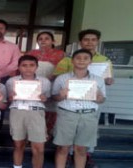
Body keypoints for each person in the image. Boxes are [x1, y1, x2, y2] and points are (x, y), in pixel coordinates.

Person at [52, 29, 113, 168]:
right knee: (63, 149)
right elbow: (54, 97)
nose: (81, 61)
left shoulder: (98, 80)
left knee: (81, 149)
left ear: (90, 62)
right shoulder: (62, 78)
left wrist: (98, 99)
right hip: (67, 115)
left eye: (85, 59)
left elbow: (102, 99)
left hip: (88, 116)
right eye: (78, 58)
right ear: (72, 61)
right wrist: (60, 95)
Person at [6, 55, 51, 168]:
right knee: (18, 145)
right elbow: (7, 99)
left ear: (37, 67)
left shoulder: (44, 81)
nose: (28, 68)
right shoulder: (11, 81)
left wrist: (44, 98)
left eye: (32, 65)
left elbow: (48, 98)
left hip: (36, 113)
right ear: (19, 67)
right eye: (24, 65)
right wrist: (10, 98)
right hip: (18, 112)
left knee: (39, 148)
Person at [26, 31, 65, 141]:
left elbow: (61, 70)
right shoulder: (31, 53)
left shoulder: (60, 54)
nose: (43, 40)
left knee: (50, 109)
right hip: (33, 83)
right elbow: (25, 67)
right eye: (40, 38)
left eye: (47, 38)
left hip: (52, 82)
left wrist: (47, 80)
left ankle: (47, 133)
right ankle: (31, 134)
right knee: (33, 107)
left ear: (53, 41)